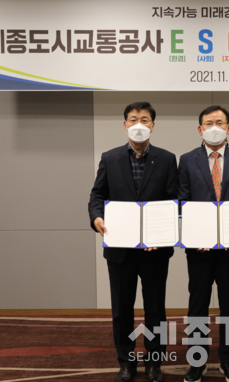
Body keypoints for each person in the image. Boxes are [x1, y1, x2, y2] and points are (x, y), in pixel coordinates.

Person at [88, 102, 178, 382]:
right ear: (125, 124)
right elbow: (97, 195)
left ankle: (154, 362)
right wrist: (96, 217)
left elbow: (174, 201)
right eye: (133, 119)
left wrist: (162, 234)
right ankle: (126, 362)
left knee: (155, 310)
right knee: (122, 309)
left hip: (155, 250)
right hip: (120, 250)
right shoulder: (110, 158)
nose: (139, 124)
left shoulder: (167, 159)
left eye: (145, 119)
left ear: (153, 125)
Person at [178, 105, 229, 382]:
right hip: (199, 249)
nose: (214, 127)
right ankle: (197, 362)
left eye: (220, 122)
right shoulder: (187, 160)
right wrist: (195, 235)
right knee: (197, 305)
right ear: (200, 129)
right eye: (209, 123)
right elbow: (183, 201)